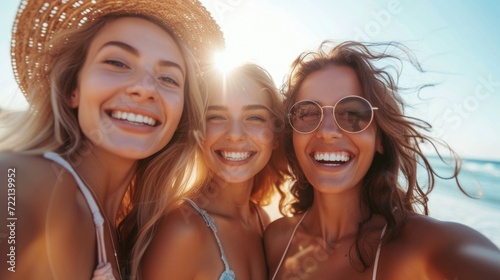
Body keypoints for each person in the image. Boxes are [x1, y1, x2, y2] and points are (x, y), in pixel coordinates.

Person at [0, 0, 223, 279]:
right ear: (73, 88)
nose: (144, 88)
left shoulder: (129, 227)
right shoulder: (25, 182)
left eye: (168, 78)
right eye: (117, 62)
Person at [264, 41, 500, 280]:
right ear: (292, 135)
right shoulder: (274, 239)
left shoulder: (423, 247)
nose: (327, 131)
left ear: (379, 139)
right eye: (308, 113)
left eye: (353, 113)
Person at [132, 63, 291, 280]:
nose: (235, 134)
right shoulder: (183, 229)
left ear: (276, 136)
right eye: (216, 116)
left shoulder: (261, 220)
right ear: (197, 132)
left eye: (254, 117)